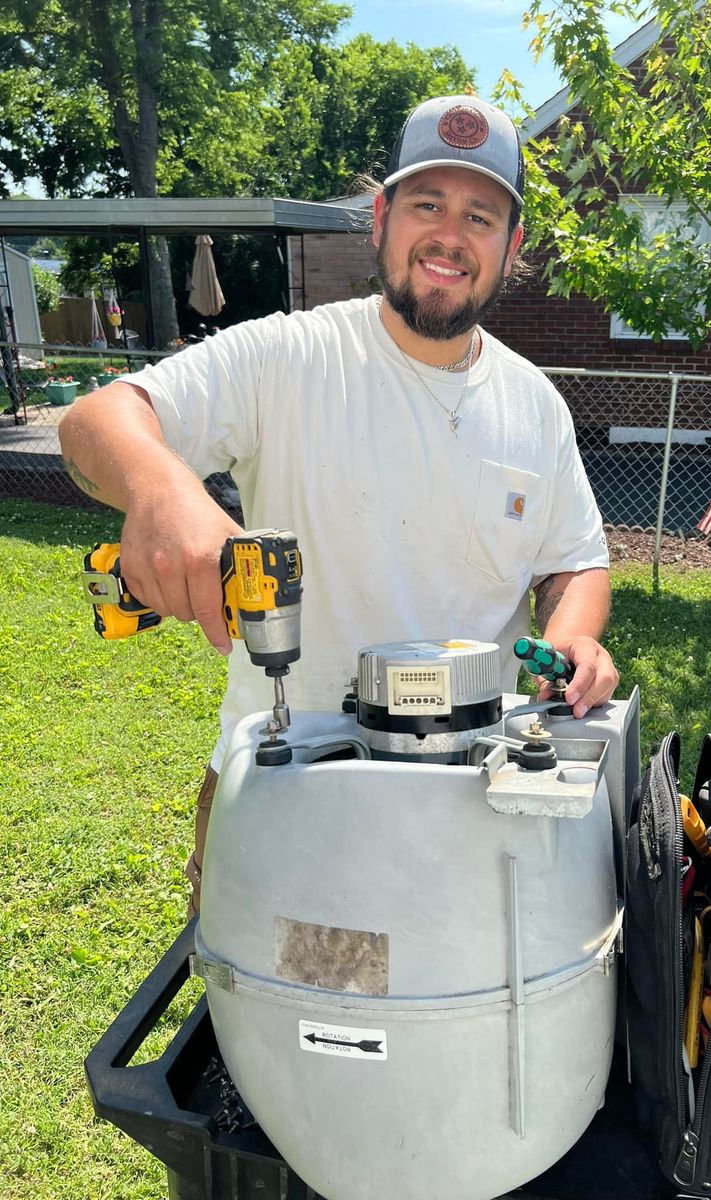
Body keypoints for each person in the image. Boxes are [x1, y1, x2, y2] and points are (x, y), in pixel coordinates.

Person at [59, 94, 619, 914]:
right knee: (262, 1032)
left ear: (513, 245)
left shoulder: (535, 405)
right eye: (426, 204)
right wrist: (162, 491)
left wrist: (571, 640)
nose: (450, 236)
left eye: (481, 215)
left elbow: (576, 560)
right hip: (285, 791)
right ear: (382, 217)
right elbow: (92, 422)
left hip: (472, 796)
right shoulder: (288, 355)